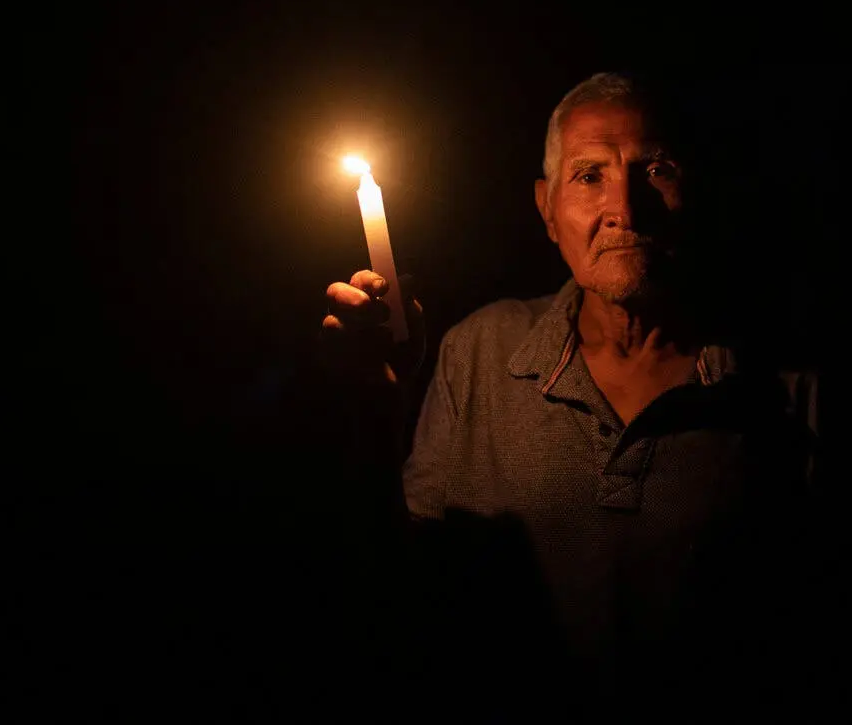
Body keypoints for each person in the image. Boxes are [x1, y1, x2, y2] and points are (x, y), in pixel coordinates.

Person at [319, 72, 821, 696]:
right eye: (590, 176)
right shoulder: (479, 351)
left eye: (656, 170)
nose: (626, 210)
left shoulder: (787, 387)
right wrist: (375, 412)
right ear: (547, 209)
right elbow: (403, 593)